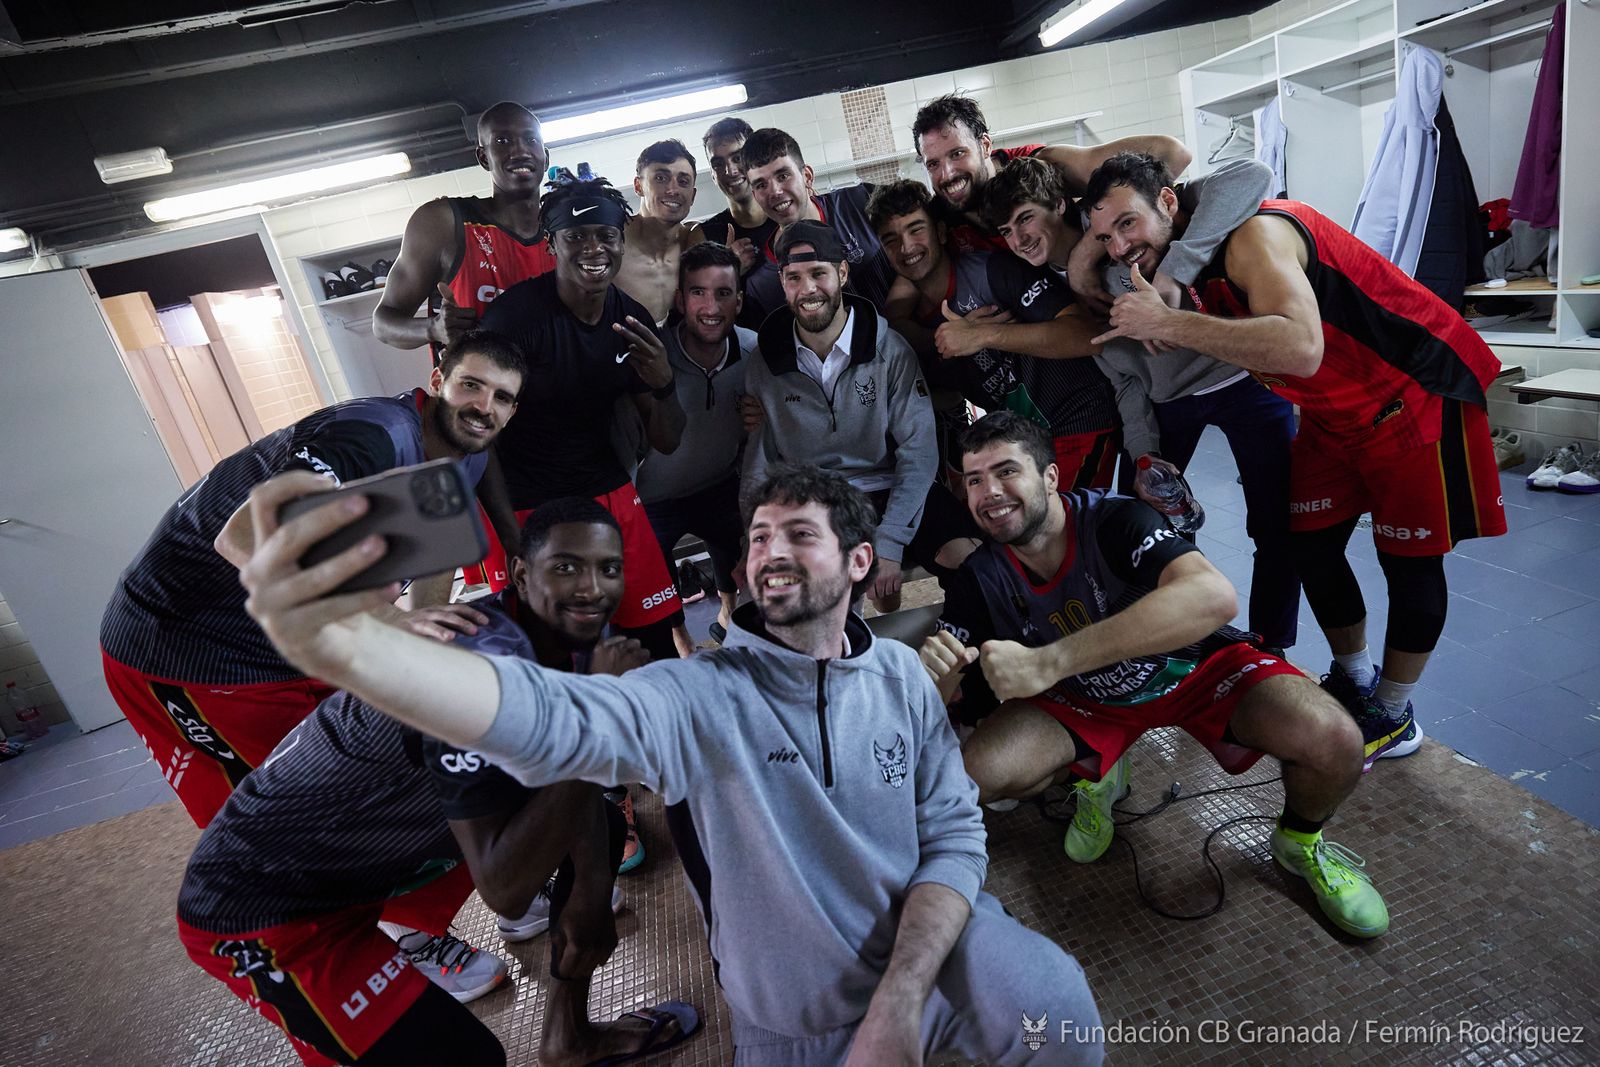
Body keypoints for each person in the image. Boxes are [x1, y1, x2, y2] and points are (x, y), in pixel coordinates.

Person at [233, 461, 1107, 1067]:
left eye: (798, 533)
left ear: (858, 562)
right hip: (796, 1009)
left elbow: (953, 830)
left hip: (937, 951)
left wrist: (903, 995)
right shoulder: (698, 695)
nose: (769, 550)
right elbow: (558, 719)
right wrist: (351, 646)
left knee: (1057, 1003)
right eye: (759, 537)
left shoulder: (896, 678)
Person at [176, 500, 701, 1066]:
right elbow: (505, 889)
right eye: (567, 567)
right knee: (464, 1058)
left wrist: (590, 904)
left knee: (589, 827)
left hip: (355, 871)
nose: (591, 589)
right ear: (521, 574)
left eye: (609, 568)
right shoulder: (469, 671)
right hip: (259, 909)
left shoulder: (561, 641)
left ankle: (569, 1036)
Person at [99, 331, 527, 995]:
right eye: (473, 385)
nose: (484, 405)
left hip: (282, 639)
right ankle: (387, 950)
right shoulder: (371, 435)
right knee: (288, 826)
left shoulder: (463, 450)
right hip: (179, 647)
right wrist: (386, 621)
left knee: (418, 758)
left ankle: (432, 912)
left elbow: (436, 551)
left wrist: (421, 633)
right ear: (437, 376)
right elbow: (241, 535)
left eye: (502, 398)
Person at [1083, 152, 1507, 767]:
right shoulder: (1180, 265)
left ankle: (1394, 710)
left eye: (1128, 224)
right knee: (1305, 542)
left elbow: (1302, 348)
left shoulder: (1255, 236)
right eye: (1104, 237)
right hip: (1337, 415)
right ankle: (1354, 678)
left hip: (1412, 391)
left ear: (1169, 204)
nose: (1120, 246)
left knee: (1408, 561)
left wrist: (1172, 323)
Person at [925, 412, 1390, 939]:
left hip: (1192, 672)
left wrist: (1048, 662)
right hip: (1084, 701)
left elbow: (1213, 596)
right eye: (975, 479)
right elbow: (945, 691)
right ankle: (1095, 773)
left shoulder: (1117, 519)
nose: (991, 492)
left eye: (1007, 471)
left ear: (1051, 477)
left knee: (1337, 741)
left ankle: (1300, 842)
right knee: (973, 776)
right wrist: (936, 677)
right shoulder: (979, 576)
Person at [986, 153, 1305, 653]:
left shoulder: (1144, 221)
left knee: (1278, 524)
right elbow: (1126, 381)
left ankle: (1271, 648)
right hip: (1167, 400)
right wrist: (1145, 452)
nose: (1120, 243)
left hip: (1244, 377)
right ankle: (1185, 637)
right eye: (1007, 229)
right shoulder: (1072, 281)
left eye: (1026, 218)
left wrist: (1172, 275)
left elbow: (1252, 174)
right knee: (1143, 518)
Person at [478, 168, 687, 870]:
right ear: (552, 241)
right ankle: (601, 799)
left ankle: (673, 772)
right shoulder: (515, 319)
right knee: (567, 665)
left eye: (606, 235)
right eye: (577, 236)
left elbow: (668, 436)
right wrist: (512, 540)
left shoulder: (631, 317)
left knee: (657, 644)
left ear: (621, 239)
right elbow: (480, 441)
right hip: (539, 509)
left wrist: (661, 383)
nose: (593, 248)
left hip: (609, 495)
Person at [742, 220, 979, 612]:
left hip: (891, 485)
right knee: (822, 605)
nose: (808, 290)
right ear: (782, 282)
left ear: (842, 272)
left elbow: (918, 451)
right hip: (818, 502)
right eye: (794, 278)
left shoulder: (889, 349)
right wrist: (755, 541)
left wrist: (890, 539)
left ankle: (958, 660)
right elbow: (759, 468)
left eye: (818, 273)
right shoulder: (764, 363)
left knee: (975, 566)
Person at [371, 100, 554, 585]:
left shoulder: (567, 228)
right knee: (518, 583)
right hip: (483, 439)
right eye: (502, 141)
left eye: (528, 140)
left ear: (546, 154)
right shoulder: (444, 222)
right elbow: (384, 322)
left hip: (562, 433)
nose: (518, 151)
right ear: (482, 157)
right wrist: (432, 330)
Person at [869, 178, 1120, 490]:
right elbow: (943, 391)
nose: (906, 247)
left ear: (942, 232)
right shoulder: (906, 324)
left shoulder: (991, 271)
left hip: (1081, 420)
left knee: (1065, 527)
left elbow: (1086, 335)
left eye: (916, 229)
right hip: (1024, 449)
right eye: (890, 239)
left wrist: (984, 335)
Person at [635, 242, 756, 650]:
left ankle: (727, 611)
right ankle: (682, 638)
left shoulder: (754, 351)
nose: (710, 306)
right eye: (698, 292)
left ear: (738, 301)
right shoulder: (654, 355)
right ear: (679, 300)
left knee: (734, 540)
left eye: (723, 293)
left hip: (720, 480)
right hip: (653, 495)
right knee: (655, 569)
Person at [912, 94, 1191, 256]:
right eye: (933, 164)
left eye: (957, 154)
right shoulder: (939, 216)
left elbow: (1172, 153)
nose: (947, 174)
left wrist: (1088, 251)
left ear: (985, 145)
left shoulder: (1044, 165)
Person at [739, 127, 897, 322]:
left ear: (807, 176)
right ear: (754, 195)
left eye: (783, 176)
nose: (775, 192)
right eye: (761, 185)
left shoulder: (862, 203)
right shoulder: (761, 281)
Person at [613, 139, 706, 325]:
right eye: (661, 178)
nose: (673, 190)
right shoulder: (612, 240)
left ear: (693, 196)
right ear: (639, 187)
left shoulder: (694, 238)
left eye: (683, 181)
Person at [699, 117, 778, 301]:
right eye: (718, 163)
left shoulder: (788, 214)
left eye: (738, 158)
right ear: (712, 174)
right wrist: (728, 272)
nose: (730, 170)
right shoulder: (703, 237)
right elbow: (697, 310)